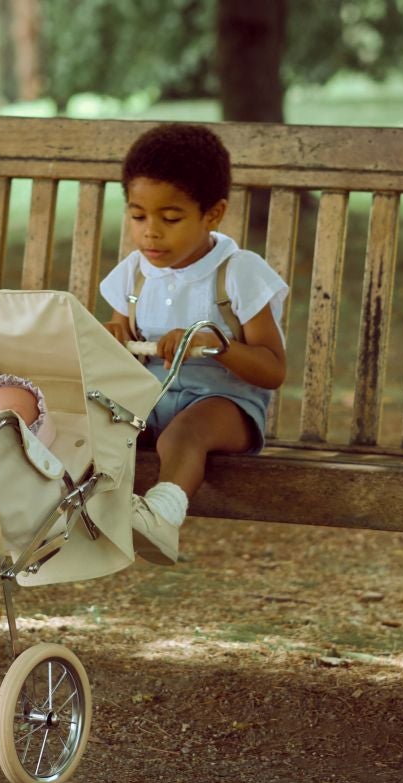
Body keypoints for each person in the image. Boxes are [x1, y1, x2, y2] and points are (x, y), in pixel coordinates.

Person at [99, 123, 288, 565]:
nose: (151, 233)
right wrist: (113, 335)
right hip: (152, 398)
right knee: (100, 423)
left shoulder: (238, 272)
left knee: (184, 434)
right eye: (138, 215)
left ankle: (162, 517)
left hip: (224, 404)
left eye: (170, 218)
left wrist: (217, 343)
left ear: (213, 214)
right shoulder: (134, 273)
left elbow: (274, 369)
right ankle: (71, 514)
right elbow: (121, 333)